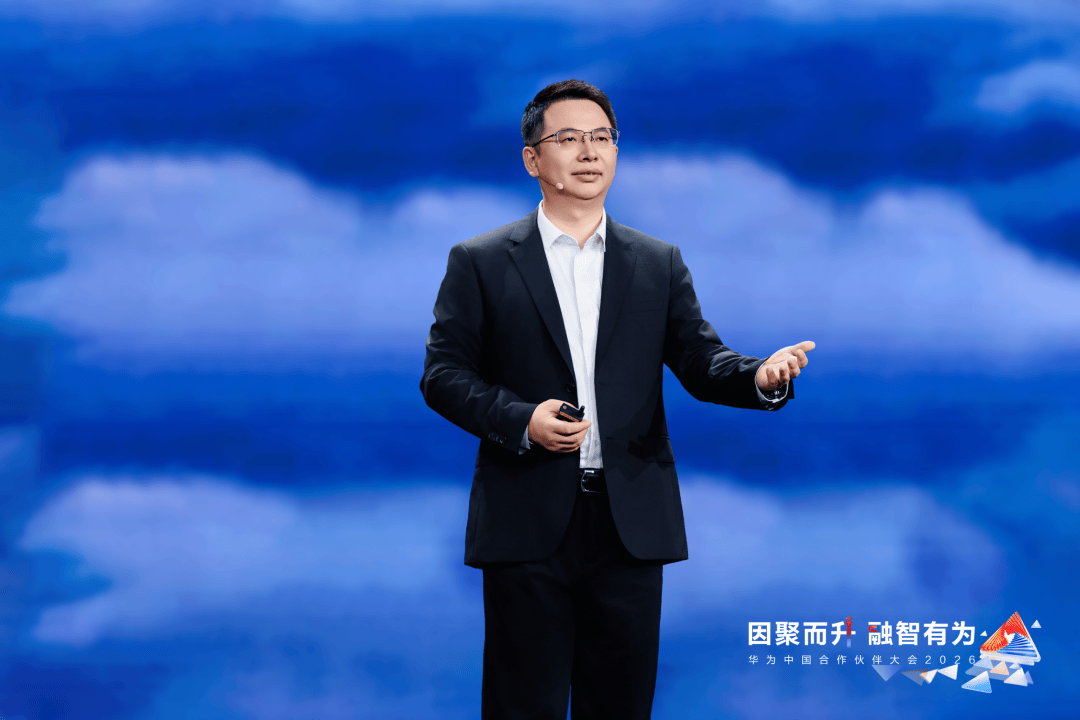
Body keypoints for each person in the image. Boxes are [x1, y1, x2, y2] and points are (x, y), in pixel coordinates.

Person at [420, 79, 814, 720]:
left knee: (621, 707)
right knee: (523, 708)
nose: (589, 152)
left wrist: (760, 378)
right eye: (568, 138)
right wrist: (522, 421)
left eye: (601, 137)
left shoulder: (656, 262)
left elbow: (701, 361)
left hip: (629, 521)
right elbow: (443, 375)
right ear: (532, 158)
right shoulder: (481, 261)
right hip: (527, 518)